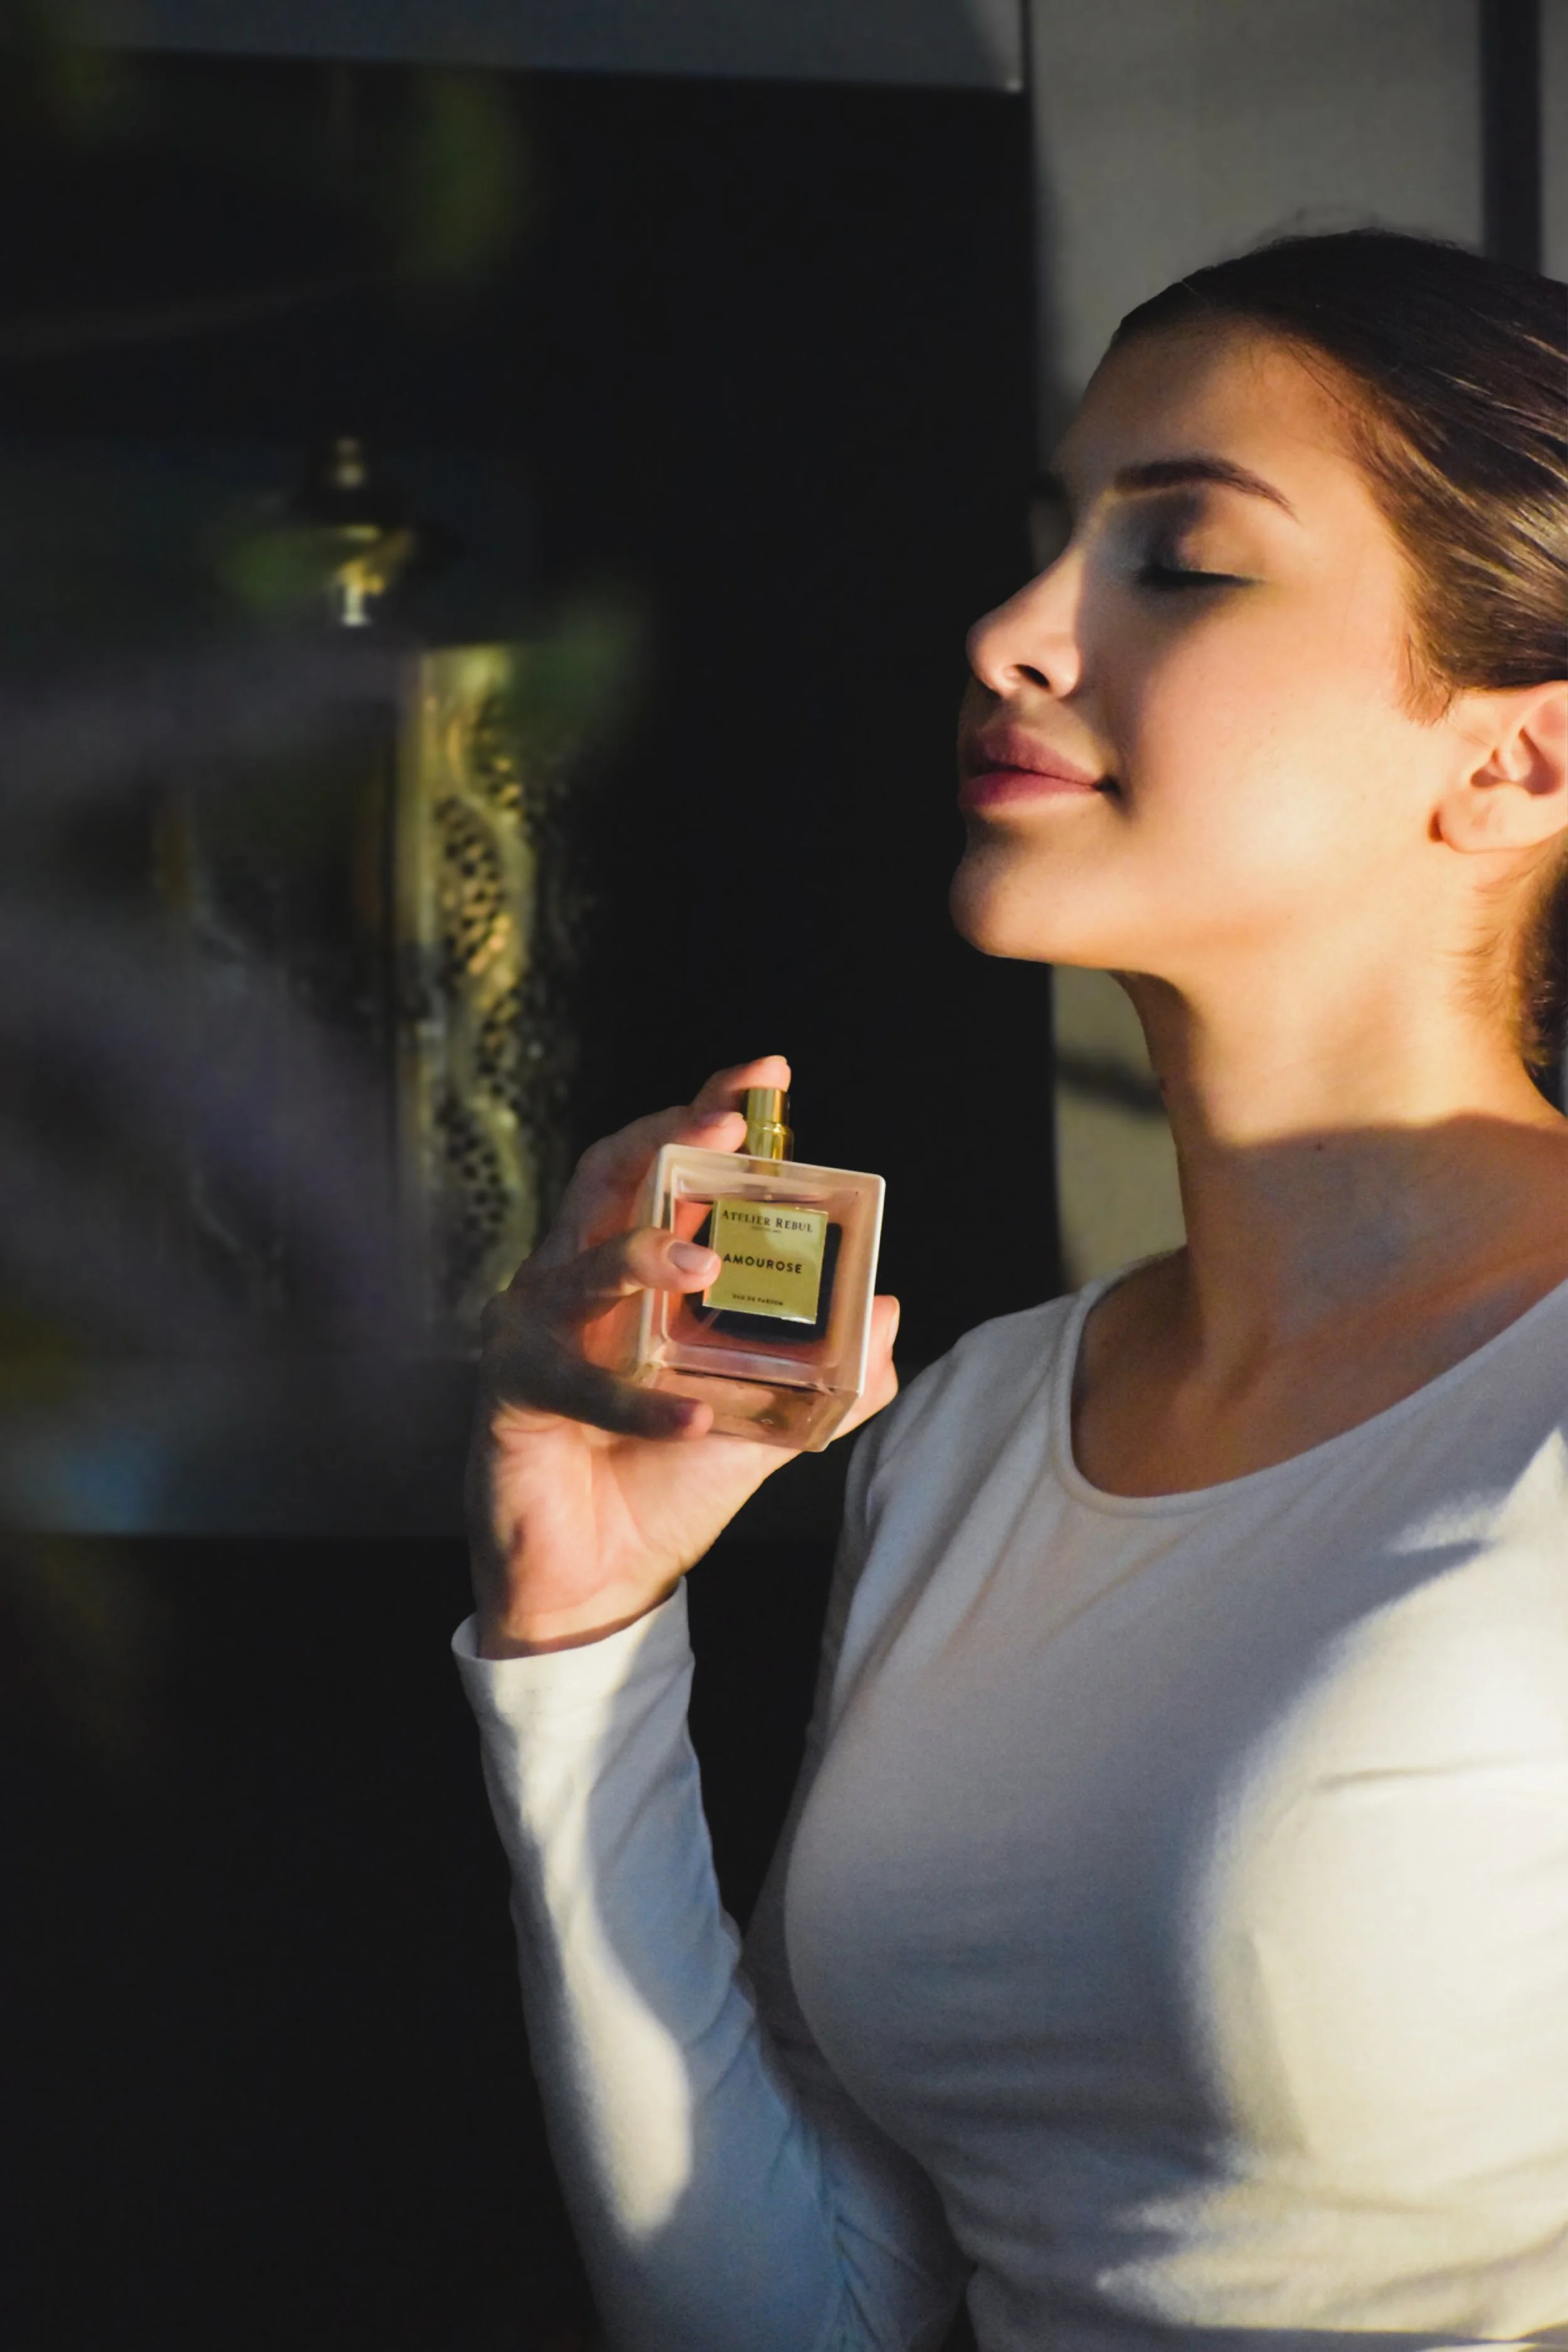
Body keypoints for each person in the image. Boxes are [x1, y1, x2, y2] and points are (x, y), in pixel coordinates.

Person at [452, 231, 1568, 2351]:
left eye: (1182, 560)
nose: (1006, 633)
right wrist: (575, 1634)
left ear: (1511, 761)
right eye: (1052, 538)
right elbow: (806, 2314)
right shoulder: (969, 1428)